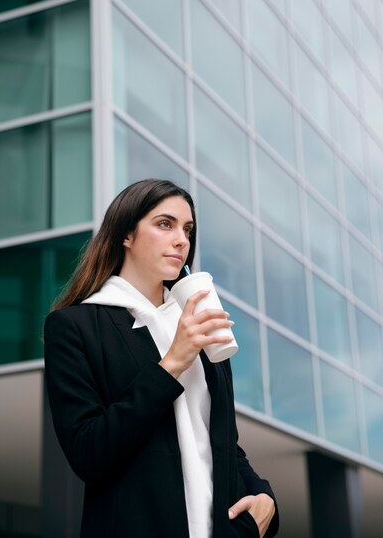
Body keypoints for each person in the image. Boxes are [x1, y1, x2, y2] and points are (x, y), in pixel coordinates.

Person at [44, 178, 279, 538]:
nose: (182, 239)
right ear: (126, 234)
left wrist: (263, 496)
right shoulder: (74, 326)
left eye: (188, 229)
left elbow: (221, 441)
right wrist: (171, 364)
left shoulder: (198, 324)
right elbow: (89, 453)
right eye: (164, 224)